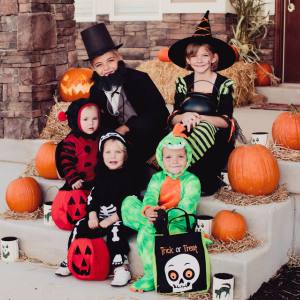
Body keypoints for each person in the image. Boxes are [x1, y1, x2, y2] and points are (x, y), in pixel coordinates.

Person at [80, 23, 170, 188]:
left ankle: (144, 176)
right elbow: (98, 120)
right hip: (114, 143)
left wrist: (127, 127)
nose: (106, 68)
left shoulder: (139, 79)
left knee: (130, 168)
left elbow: (159, 113)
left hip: (146, 137)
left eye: (110, 61)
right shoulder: (96, 91)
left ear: (119, 57)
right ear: (92, 68)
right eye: (99, 65)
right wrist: (108, 137)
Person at [121, 127, 201, 292]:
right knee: (128, 202)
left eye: (180, 156)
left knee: (146, 231)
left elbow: (187, 206)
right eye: (169, 157)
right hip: (156, 217)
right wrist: (149, 209)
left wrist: (162, 213)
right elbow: (150, 196)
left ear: (188, 158)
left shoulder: (192, 180)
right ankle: (149, 222)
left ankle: (151, 275)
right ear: (161, 159)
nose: (175, 161)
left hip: (176, 221)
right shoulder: (157, 178)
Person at [56, 132, 139, 287]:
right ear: (102, 155)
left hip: (120, 219)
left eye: (117, 152)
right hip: (100, 219)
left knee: (116, 232)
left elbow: (130, 203)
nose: (112, 156)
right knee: (80, 225)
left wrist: (111, 219)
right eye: (108, 152)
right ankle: (72, 257)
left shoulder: (129, 178)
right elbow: (93, 198)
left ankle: (121, 267)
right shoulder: (101, 176)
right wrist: (92, 215)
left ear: (125, 155)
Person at [167, 10, 237, 196]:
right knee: (174, 132)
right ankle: (168, 168)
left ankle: (180, 173)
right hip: (185, 129)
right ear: (188, 60)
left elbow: (226, 120)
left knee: (203, 129)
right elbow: (173, 117)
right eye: (194, 56)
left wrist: (200, 118)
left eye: (204, 55)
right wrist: (185, 116)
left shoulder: (224, 84)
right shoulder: (183, 83)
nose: (199, 60)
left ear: (214, 58)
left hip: (214, 135)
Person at [52, 99, 100, 230]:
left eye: (94, 119)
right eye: (85, 120)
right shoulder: (71, 140)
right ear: (76, 120)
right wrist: (73, 178)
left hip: (94, 184)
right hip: (77, 184)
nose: (91, 123)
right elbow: (66, 162)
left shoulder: (98, 138)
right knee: (76, 202)